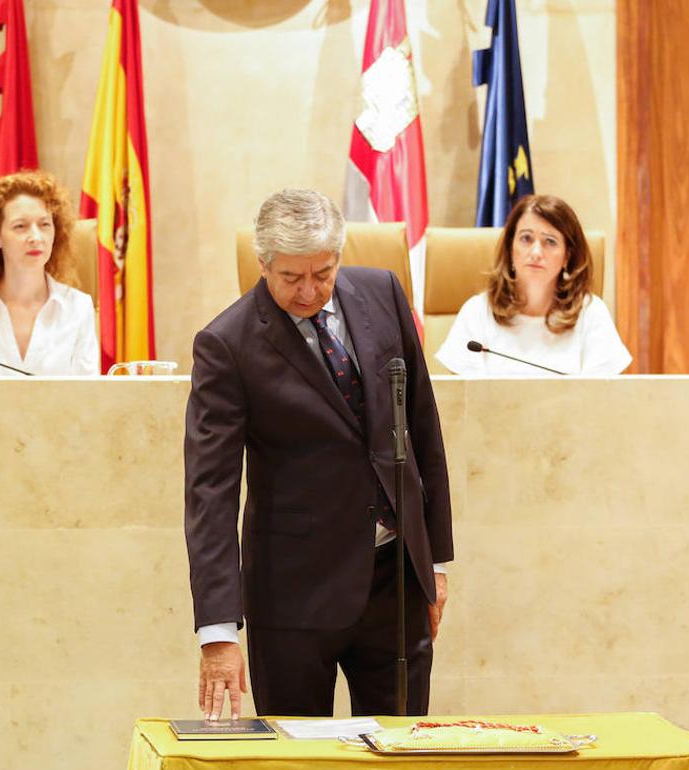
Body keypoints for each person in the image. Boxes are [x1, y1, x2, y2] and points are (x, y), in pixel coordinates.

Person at [185, 189, 453, 720]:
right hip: (293, 596)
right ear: (263, 265)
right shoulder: (226, 344)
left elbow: (421, 427)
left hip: (394, 582)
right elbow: (210, 491)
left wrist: (435, 561)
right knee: (297, 757)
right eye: (291, 278)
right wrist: (218, 632)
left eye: (323, 273)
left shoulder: (383, 292)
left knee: (399, 754)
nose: (310, 291)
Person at [434, 194, 632, 376]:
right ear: (511, 249)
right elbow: (462, 402)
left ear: (567, 257)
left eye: (550, 242)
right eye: (526, 239)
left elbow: (603, 402)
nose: (536, 252)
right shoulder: (477, 311)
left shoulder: (590, 312)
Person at [0, 171, 99, 376]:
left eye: (44, 225)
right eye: (20, 226)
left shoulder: (78, 308)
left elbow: (88, 401)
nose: (35, 237)